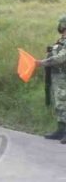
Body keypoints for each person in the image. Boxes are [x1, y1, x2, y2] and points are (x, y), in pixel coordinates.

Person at [37, 14, 66, 143]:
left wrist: (42, 62)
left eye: (61, 24)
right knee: (59, 104)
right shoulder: (62, 40)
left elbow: (61, 58)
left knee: (64, 104)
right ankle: (61, 130)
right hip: (57, 78)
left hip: (63, 78)